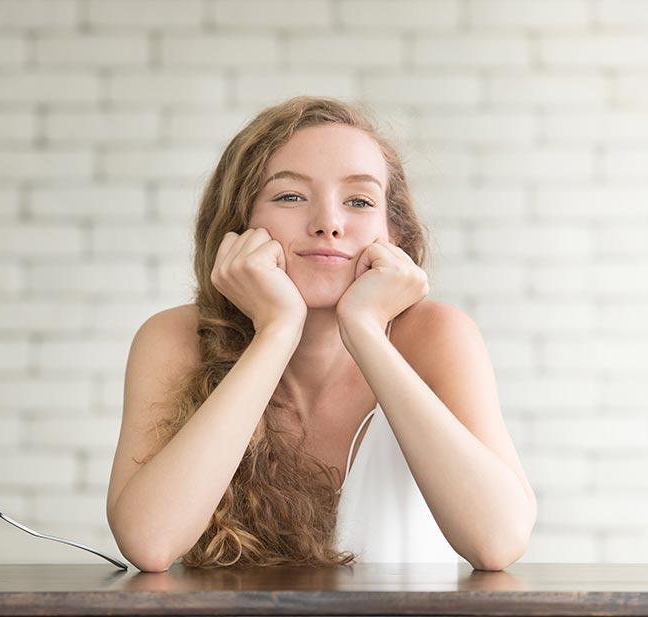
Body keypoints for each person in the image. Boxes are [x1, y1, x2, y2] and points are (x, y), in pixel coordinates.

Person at [106, 96, 537, 573]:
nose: (328, 223)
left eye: (359, 201)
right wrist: (276, 331)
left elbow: (498, 541)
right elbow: (149, 542)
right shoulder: (173, 338)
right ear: (238, 224)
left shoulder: (438, 335)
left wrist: (366, 332)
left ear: (394, 235)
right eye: (290, 196)